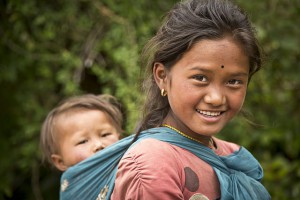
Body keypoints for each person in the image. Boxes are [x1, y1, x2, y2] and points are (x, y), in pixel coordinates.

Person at [111, 0, 270, 199]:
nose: (216, 98)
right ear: (162, 76)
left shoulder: (232, 154)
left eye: (233, 81)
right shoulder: (153, 165)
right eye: (200, 78)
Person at [40, 94, 122, 171]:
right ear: (60, 162)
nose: (98, 145)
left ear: (119, 137)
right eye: (83, 141)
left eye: (105, 134)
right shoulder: (73, 186)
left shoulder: (130, 168)